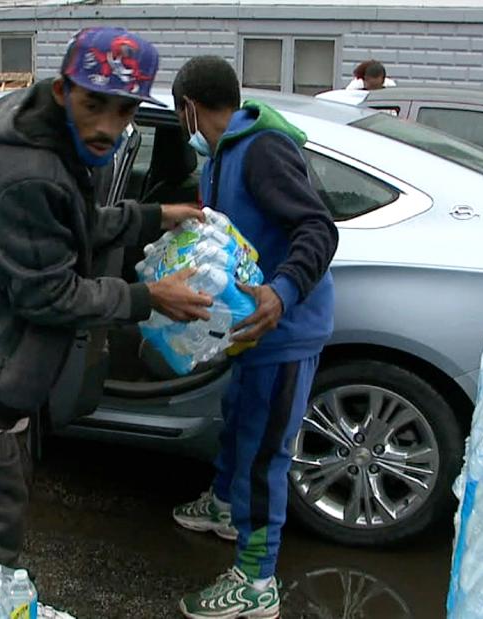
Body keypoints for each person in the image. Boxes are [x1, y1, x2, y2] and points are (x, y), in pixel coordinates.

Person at [0, 27, 213, 567]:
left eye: (124, 111)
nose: (108, 128)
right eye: (95, 104)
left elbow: (74, 225)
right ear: (64, 91)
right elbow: (48, 296)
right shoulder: (31, 172)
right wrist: (147, 298)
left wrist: (154, 216)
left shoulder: (56, 147)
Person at [169, 55, 338, 619]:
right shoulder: (223, 154)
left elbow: (317, 226)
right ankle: (224, 505)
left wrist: (283, 291)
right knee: (240, 422)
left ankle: (255, 581)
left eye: (178, 114)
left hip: (283, 328)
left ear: (190, 106)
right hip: (248, 328)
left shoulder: (262, 150)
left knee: (266, 451)